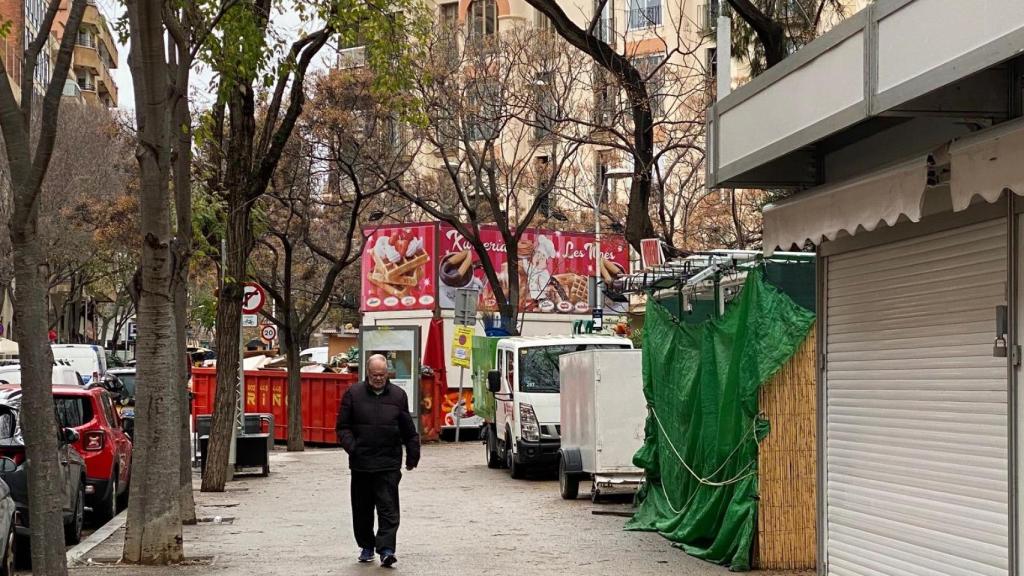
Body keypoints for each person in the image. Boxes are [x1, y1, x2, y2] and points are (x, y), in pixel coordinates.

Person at [336, 354, 420, 568]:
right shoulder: (353, 394)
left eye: (382, 375)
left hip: (388, 463)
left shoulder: (398, 396)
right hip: (362, 464)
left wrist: (413, 455)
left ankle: (386, 550)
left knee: (388, 509)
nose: (379, 379)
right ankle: (366, 545)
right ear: (367, 373)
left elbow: (408, 430)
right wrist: (353, 448)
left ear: (387, 373)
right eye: (375, 375)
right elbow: (343, 427)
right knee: (362, 509)